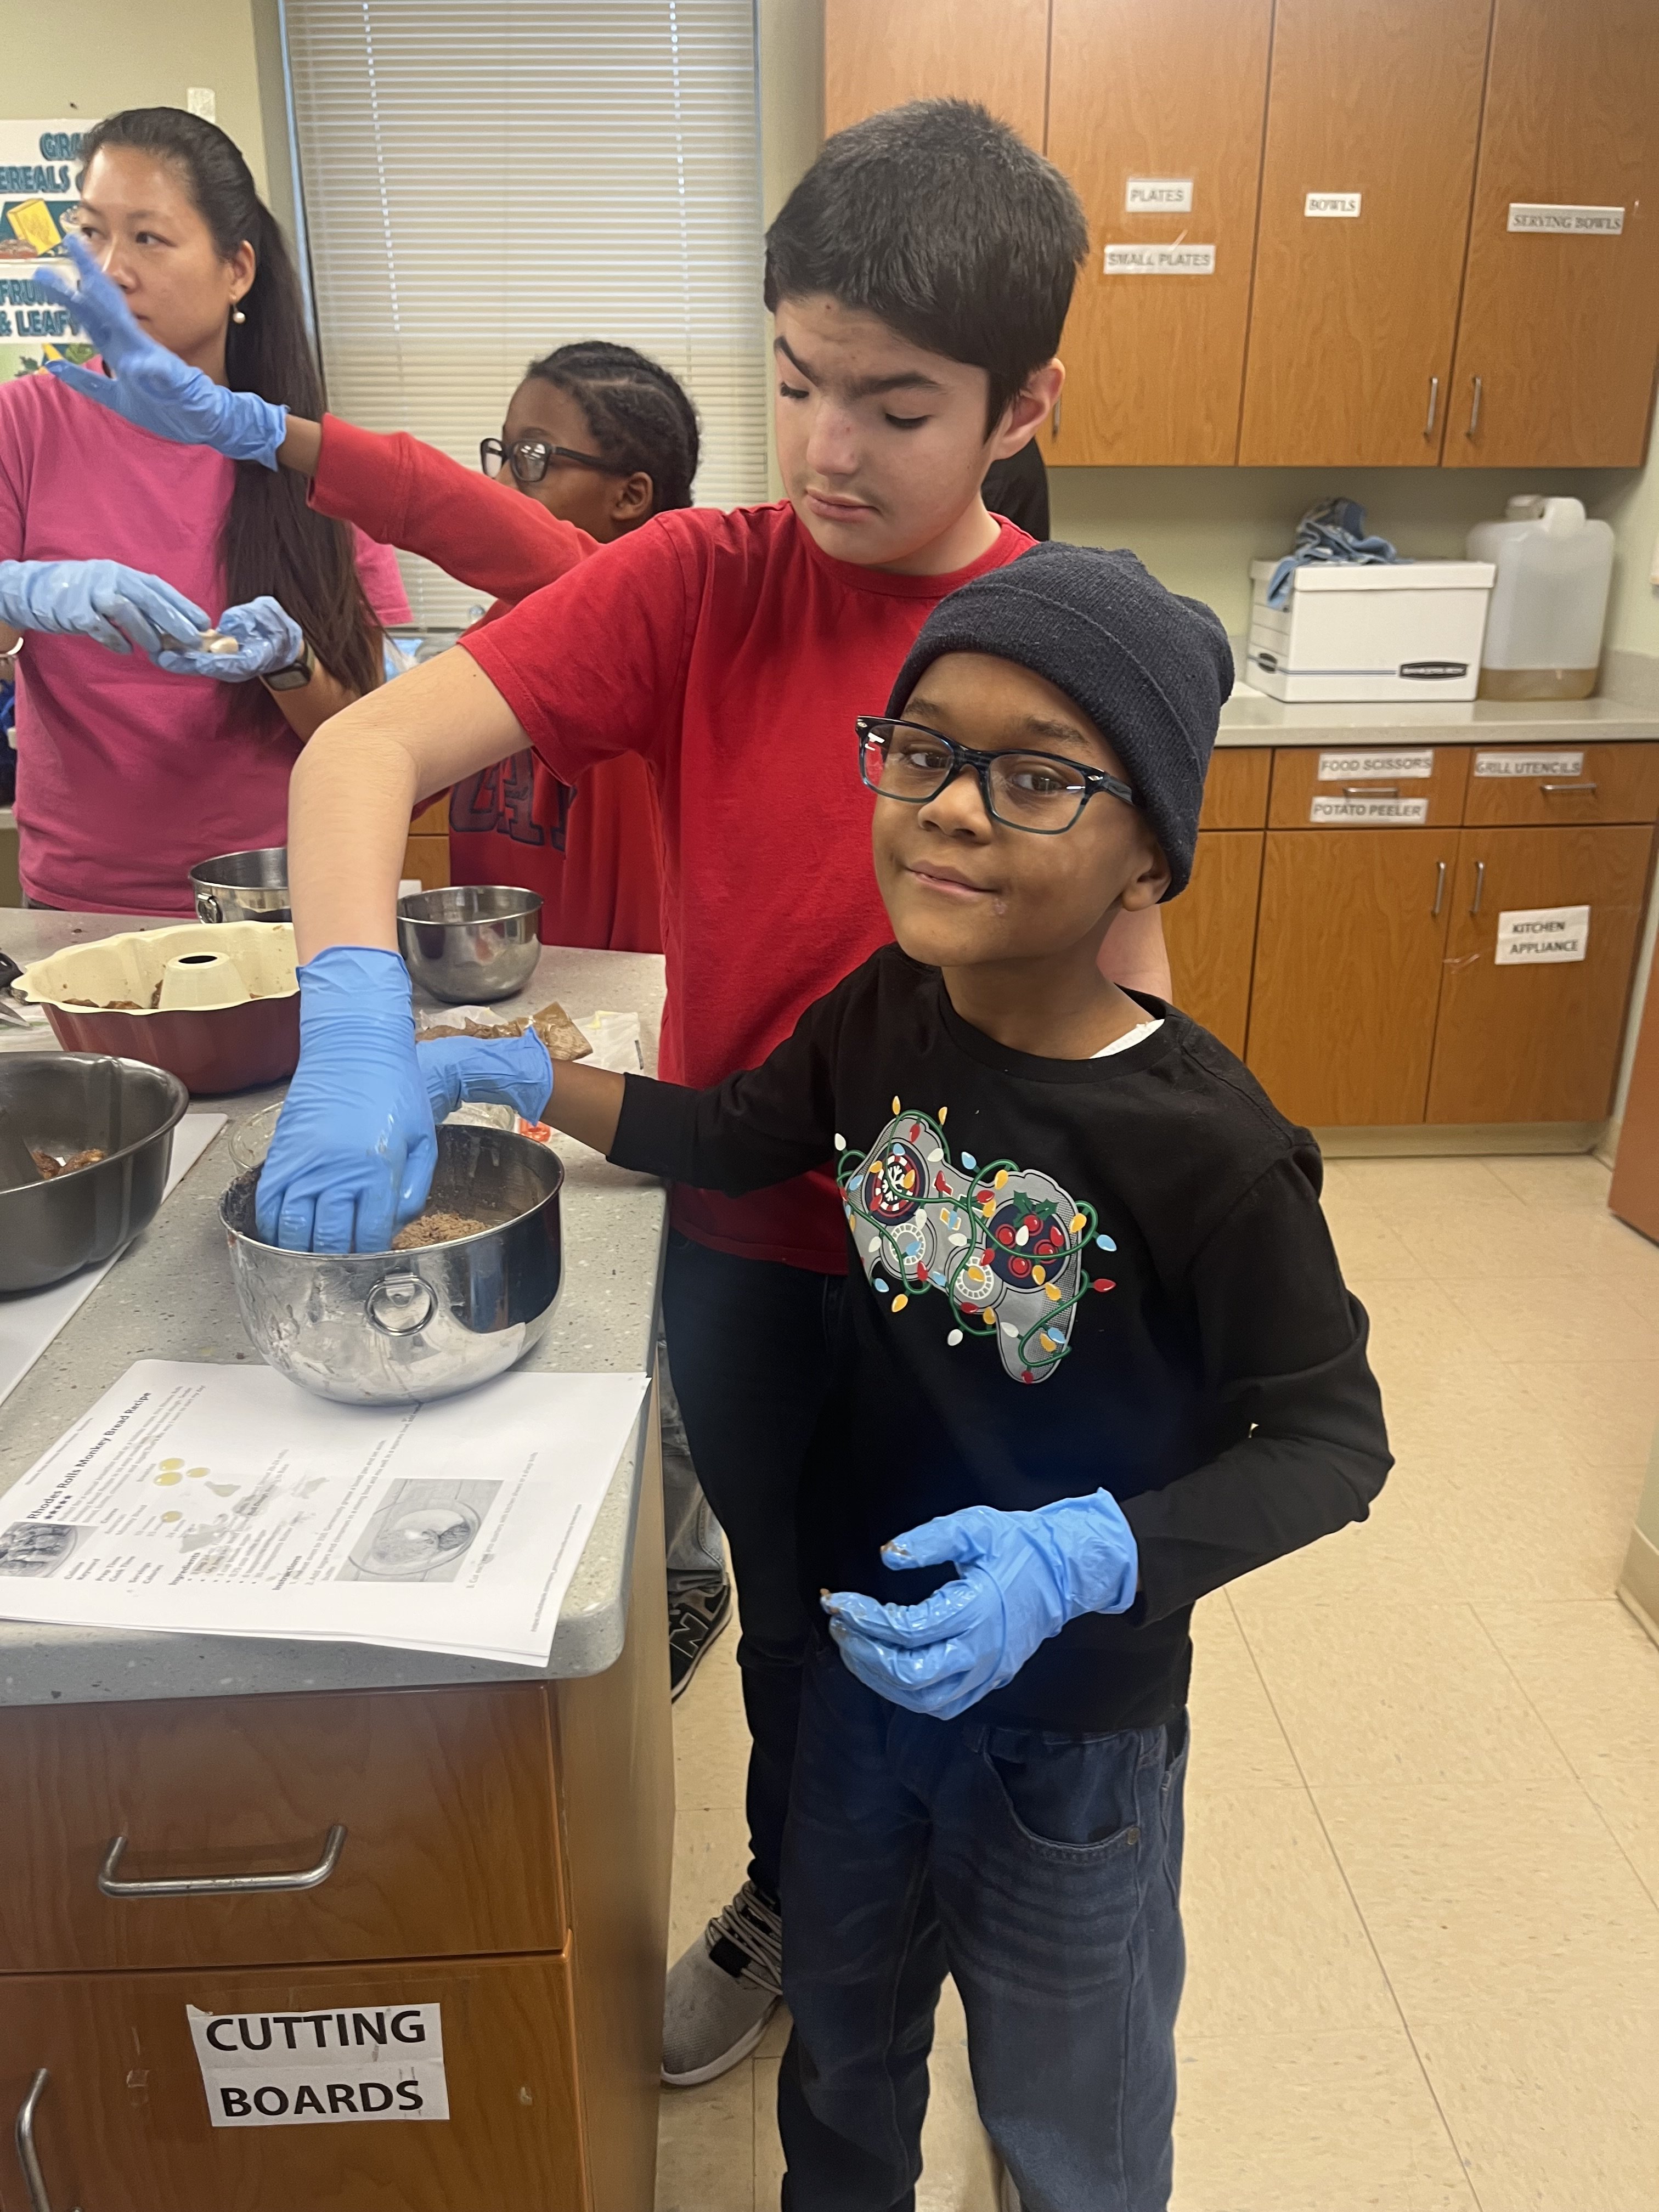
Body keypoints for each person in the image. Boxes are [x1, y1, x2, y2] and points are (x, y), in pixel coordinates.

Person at [248, 99, 1175, 2086]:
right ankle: (795, 1902)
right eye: (795, 382)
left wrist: (1113, 1288)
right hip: (747, 1235)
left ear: (1023, 404)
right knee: (791, 1621)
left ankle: (1004, 1973)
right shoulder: (701, 580)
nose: (826, 448)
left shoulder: (1063, 640)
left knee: (991, 1650)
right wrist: (349, 1014)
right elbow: (359, 761)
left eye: (894, 404)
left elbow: (1129, 1003)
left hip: (972, 1267)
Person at [409, 542, 1393, 2210]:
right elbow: (730, 1137)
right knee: (847, 2063)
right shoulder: (885, 1014)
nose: (947, 806)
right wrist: (514, 1073)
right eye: (924, 749)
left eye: (1033, 777)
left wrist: (1091, 1557)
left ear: (1148, 845)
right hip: (866, 1683)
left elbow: (1331, 1443)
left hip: (1068, 1733)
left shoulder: (1209, 1151)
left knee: (1067, 2118)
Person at [42, 252, 730, 1689]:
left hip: (618, 1046)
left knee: (651, 1341)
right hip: (496, 1023)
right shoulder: (507, 643)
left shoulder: (637, 605)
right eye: (504, 446)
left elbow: (481, 532)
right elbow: (384, 776)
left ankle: (682, 1562)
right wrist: (293, 671)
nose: (511, 473)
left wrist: (280, 440)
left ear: (633, 502)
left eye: (541, 455)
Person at [2, 108, 408, 915]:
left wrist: (289, 664)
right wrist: (20, 592)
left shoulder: (303, 452)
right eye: (92, 234)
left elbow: (378, 733)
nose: (111, 270)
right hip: (82, 909)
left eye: (148, 238)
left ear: (237, 270)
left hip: (287, 903)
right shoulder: (25, 423)